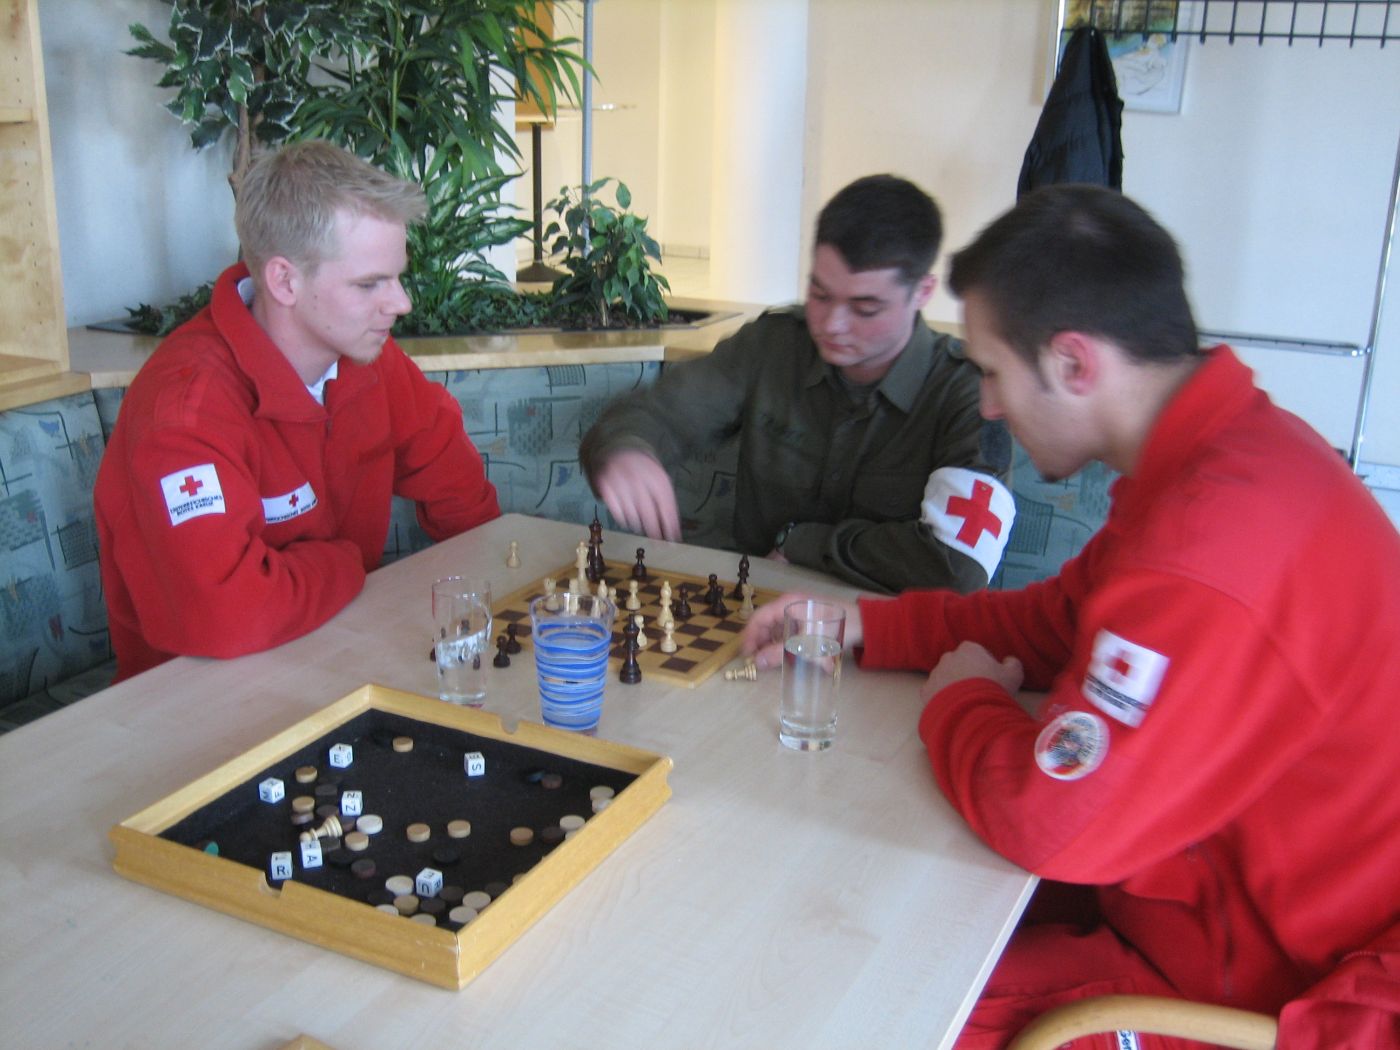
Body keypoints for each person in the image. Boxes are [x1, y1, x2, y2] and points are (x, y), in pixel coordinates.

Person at [742, 186, 1400, 1047]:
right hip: (1190, 894)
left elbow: (1054, 823)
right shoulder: (1222, 459)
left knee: (853, 1002)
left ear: (1074, 363)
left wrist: (960, 702)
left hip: (1259, 988)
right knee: (850, 889)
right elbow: (1059, 621)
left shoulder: (1205, 548)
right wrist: (870, 628)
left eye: (989, 371)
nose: (985, 406)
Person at [95, 141, 500, 681]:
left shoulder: (369, 358)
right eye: (369, 284)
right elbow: (226, 616)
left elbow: (461, 493)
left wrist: (495, 591)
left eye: (397, 276)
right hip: (195, 702)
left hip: (339, 653)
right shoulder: (185, 411)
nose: (400, 303)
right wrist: (345, 562)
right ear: (284, 280)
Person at [578, 174, 1014, 595]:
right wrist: (626, 448)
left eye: (865, 307)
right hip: (752, 612)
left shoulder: (968, 392)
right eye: (820, 294)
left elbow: (957, 565)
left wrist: (804, 544)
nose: (832, 324)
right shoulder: (775, 344)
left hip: (889, 639)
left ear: (922, 292)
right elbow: (659, 414)